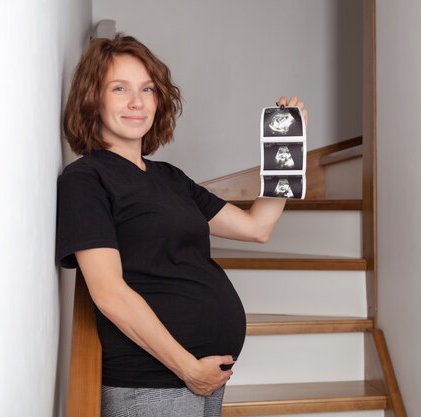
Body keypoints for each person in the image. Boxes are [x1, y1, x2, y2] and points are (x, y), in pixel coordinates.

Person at [56, 34, 308, 417]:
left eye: (147, 89)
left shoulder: (171, 178)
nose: (137, 102)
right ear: (93, 99)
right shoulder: (86, 179)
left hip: (204, 376)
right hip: (151, 382)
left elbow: (257, 227)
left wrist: (287, 151)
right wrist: (187, 368)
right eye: (119, 89)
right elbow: (108, 292)